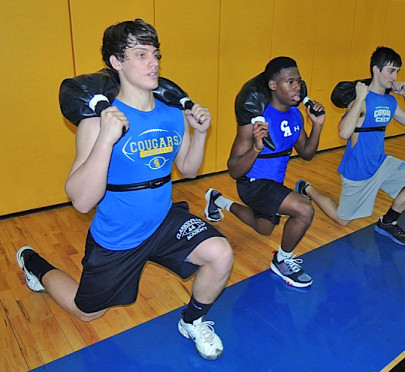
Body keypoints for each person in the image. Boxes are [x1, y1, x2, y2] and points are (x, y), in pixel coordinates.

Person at [16, 19, 233, 361]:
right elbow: (82, 200)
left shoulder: (172, 114)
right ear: (116, 63)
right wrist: (106, 137)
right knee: (88, 311)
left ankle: (192, 321)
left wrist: (201, 133)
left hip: (163, 221)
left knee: (220, 253)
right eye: (140, 54)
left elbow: (188, 170)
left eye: (156, 54)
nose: (154, 63)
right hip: (119, 234)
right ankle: (34, 264)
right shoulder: (94, 122)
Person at [205, 57, 325, 288]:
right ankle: (282, 261)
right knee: (303, 209)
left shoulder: (296, 115)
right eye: (290, 82)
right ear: (273, 86)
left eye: (298, 81)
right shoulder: (256, 119)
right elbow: (233, 168)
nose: (297, 87)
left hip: (274, 184)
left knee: (264, 228)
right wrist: (256, 147)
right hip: (252, 182)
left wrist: (317, 125)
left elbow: (307, 153)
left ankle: (218, 200)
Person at [296, 46, 405, 246]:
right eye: (391, 70)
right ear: (376, 70)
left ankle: (388, 222)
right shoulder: (361, 102)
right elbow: (344, 132)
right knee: (343, 220)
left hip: (381, 163)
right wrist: (359, 98)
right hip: (358, 169)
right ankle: (308, 189)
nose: (395, 76)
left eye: (397, 71)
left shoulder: (389, 101)